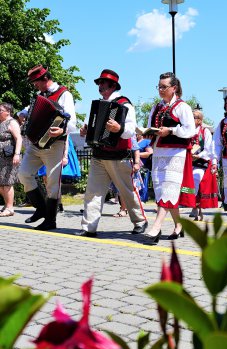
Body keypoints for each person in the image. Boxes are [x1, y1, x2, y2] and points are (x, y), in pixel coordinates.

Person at [76, 69, 147, 237]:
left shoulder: (125, 104)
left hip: (119, 156)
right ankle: (89, 227)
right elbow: (90, 125)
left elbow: (130, 131)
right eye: (99, 83)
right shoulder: (97, 104)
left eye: (102, 83)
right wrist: (85, 130)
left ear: (113, 85)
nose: (99, 86)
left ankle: (140, 221)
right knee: (93, 192)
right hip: (99, 155)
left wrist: (118, 128)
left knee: (127, 191)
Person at [18, 65, 76, 230]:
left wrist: (62, 129)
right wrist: (22, 113)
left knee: (52, 182)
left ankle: (50, 220)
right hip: (36, 144)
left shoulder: (65, 94)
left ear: (44, 79)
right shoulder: (39, 95)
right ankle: (41, 208)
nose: (34, 85)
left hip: (55, 144)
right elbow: (28, 109)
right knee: (23, 174)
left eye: (35, 82)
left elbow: (72, 124)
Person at [146, 72, 196, 244]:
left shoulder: (183, 107)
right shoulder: (156, 107)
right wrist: (148, 133)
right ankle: (179, 225)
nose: (160, 89)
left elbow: (190, 130)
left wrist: (172, 130)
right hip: (159, 152)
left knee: (169, 188)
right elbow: (149, 127)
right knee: (162, 190)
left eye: (164, 87)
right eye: (159, 86)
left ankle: (156, 227)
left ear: (174, 88)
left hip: (176, 152)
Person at [189, 109, 218, 221]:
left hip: (201, 163)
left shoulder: (204, 132)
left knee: (195, 181)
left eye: (194, 117)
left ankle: (196, 207)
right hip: (188, 163)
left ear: (200, 120)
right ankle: (195, 207)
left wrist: (198, 156)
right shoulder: (187, 131)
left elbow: (209, 148)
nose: (192, 119)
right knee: (187, 185)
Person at [0, 103, 23, 217]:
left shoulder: (12, 122)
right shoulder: (1, 123)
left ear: (8, 111)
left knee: (7, 182)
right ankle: (6, 205)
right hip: (1, 158)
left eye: (0, 110)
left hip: (9, 157)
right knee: (1, 183)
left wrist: (17, 154)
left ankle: (10, 208)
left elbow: (18, 138)